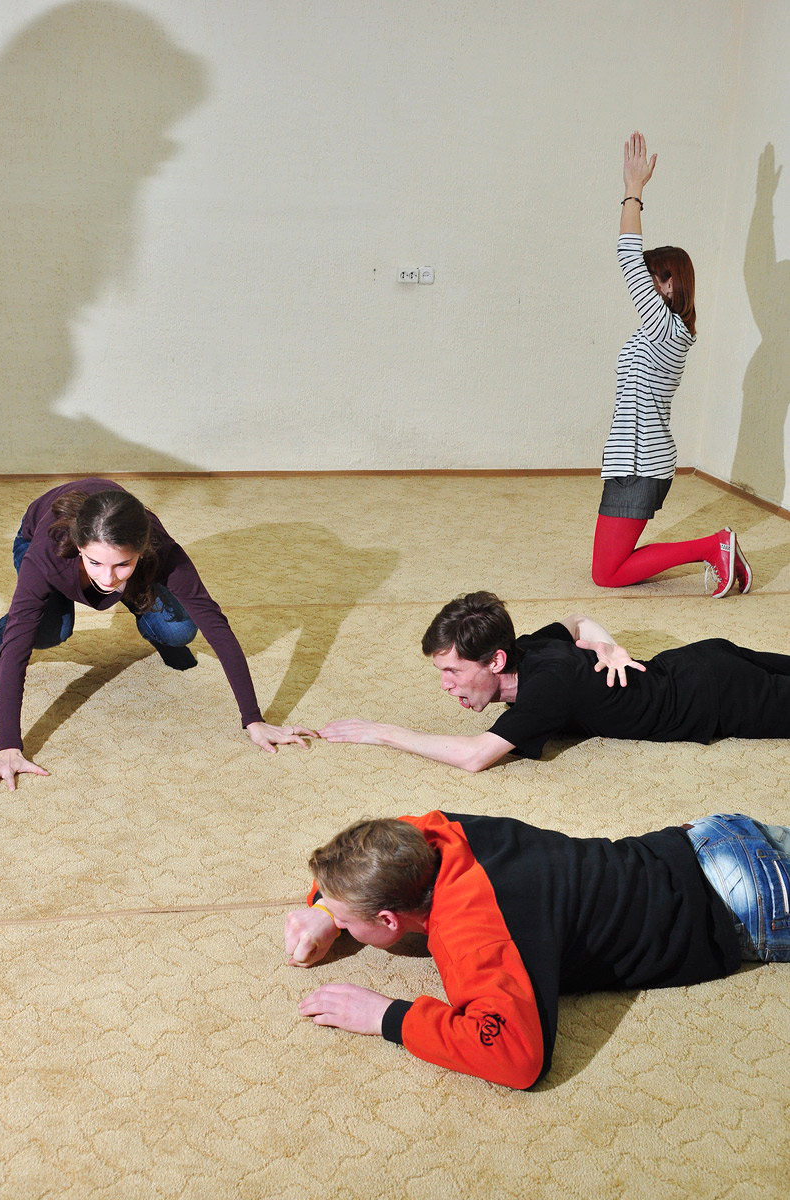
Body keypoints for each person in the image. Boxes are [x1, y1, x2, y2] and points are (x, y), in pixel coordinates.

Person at [285, 810, 789, 1089]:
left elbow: (515, 1057)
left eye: (348, 918)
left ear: (389, 920)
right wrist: (325, 909)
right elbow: (384, 834)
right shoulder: (439, 834)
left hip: (745, 903)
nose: (339, 923)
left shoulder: (476, 938)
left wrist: (386, 1016)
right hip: (713, 838)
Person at [0, 478, 314, 789]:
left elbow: (214, 622)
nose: (107, 579)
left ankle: (154, 627)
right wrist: (8, 746)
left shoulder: (161, 548)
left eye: (122, 564)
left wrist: (253, 719)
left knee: (178, 630)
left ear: (142, 551)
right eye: (95, 563)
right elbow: (19, 641)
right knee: (51, 629)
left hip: (126, 554)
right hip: (38, 540)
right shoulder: (45, 555)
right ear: (80, 548)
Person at [318, 591, 790, 771]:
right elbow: (578, 619)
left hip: (724, 699)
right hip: (701, 660)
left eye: (453, 671)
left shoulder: (545, 690)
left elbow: (475, 756)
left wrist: (382, 732)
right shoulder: (528, 648)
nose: (446, 685)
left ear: (496, 660)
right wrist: (610, 645)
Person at [592, 131, 751, 597]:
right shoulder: (666, 330)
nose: (644, 282)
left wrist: (633, 189)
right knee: (608, 569)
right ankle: (714, 547)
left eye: (652, 276)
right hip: (637, 457)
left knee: (607, 574)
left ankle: (713, 546)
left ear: (669, 282)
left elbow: (626, 256)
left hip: (640, 461)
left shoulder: (666, 327)